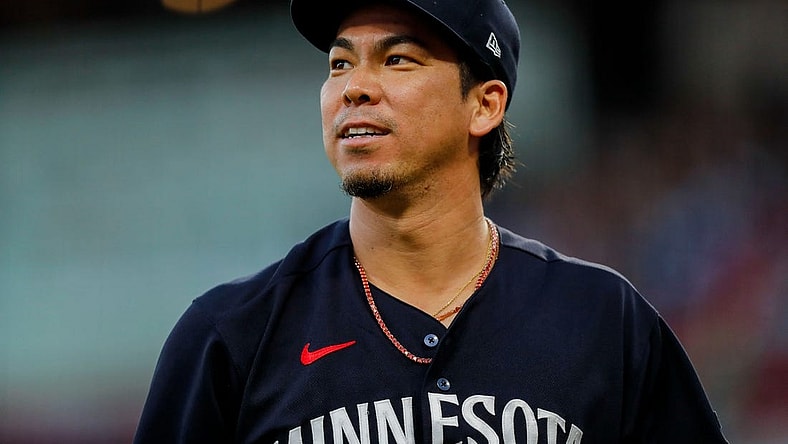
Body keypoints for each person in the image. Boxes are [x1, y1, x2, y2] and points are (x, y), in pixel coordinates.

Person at [134, 0, 730, 442]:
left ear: (485, 104)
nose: (355, 89)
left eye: (397, 59)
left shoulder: (604, 322)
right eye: (340, 64)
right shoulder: (231, 336)